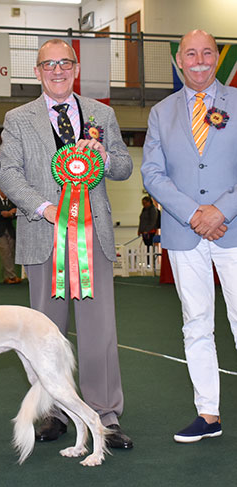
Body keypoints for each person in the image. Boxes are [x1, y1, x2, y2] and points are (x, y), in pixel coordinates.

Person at [0, 38, 133, 449]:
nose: (57, 70)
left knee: (99, 334)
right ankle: (54, 412)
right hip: (44, 236)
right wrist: (44, 208)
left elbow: (125, 166)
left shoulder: (102, 114)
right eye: (48, 64)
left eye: (64, 63)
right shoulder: (18, 119)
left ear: (75, 68)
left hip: (94, 237)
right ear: (37, 72)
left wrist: (105, 158)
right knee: (44, 333)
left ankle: (104, 416)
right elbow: (8, 174)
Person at [142, 29, 237, 443]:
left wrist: (221, 210)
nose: (198, 60)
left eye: (207, 52)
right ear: (179, 61)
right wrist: (194, 213)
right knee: (196, 324)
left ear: (218, 57)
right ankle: (207, 413)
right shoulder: (161, 113)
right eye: (190, 54)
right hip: (185, 235)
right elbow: (152, 173)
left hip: (232, 230)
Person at [0, 190, 21, 284]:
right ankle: (11, 276)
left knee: (11, 252)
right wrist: (2, 213)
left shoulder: (11, 200)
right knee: (5, 253)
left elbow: (15, 212)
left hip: (9, 230)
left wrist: (13, 213)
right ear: (0, 190)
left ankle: (10, 276)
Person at [138, 195, 159, 264]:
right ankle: (148, 263)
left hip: (150, 232)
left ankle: (150, 264)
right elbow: (141, 221)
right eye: (142, 203)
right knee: (147, 248)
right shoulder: (144, 209)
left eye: (144, 203)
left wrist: (147, 230)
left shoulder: (153, 210)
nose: (143, 204)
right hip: (144, 232)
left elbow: (153, 222)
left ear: (149, 202)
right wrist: (139, 230)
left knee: (149, 248)